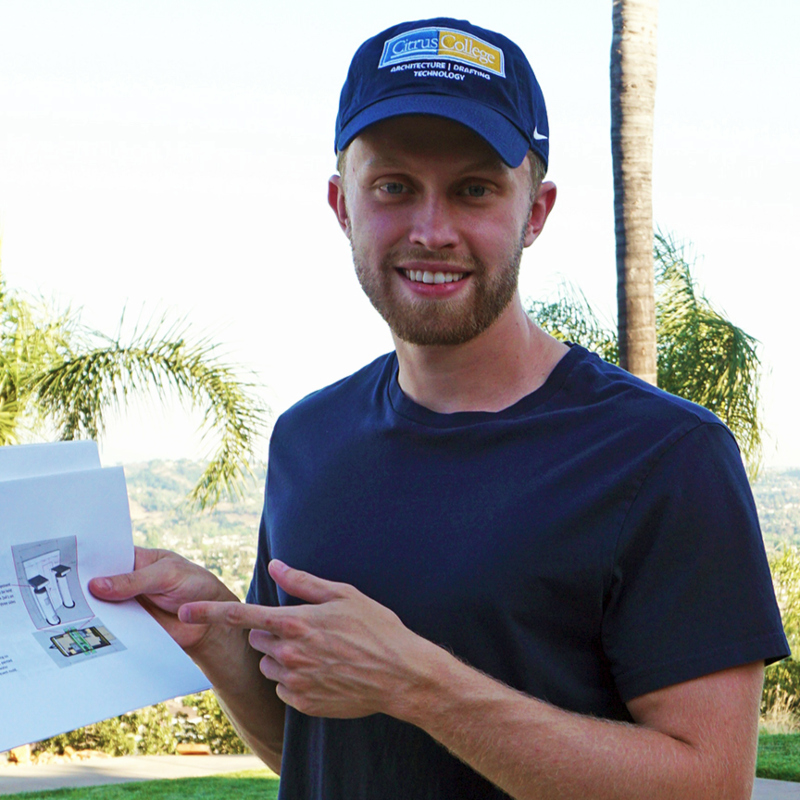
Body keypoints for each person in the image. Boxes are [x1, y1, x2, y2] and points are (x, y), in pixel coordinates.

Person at [90, 17, 789, 800]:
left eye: (474, 190)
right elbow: (317, 752)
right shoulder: (308, 439)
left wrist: (420, 686)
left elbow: (709, 784)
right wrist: (215, 635)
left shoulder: (665, 454)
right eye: (393, 187)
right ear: (341, 205)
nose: (431, 230)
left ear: (536, 211)